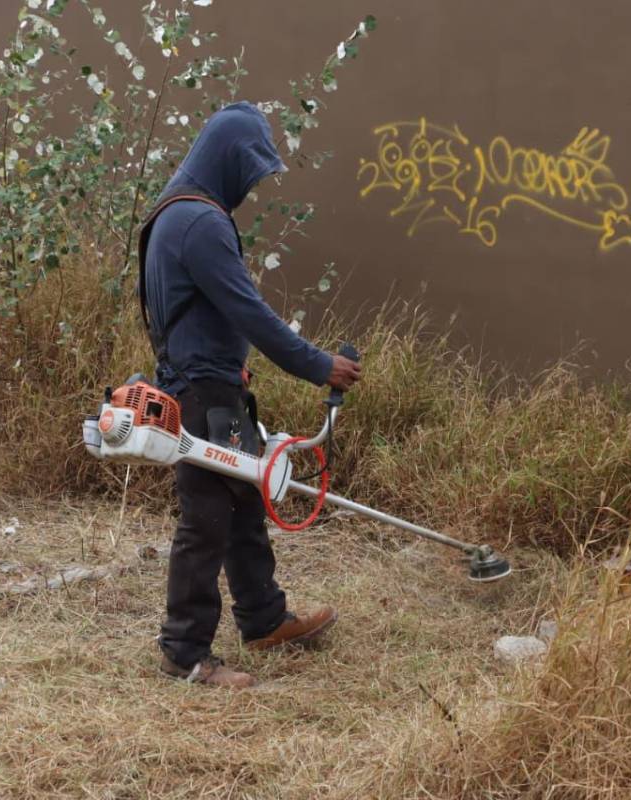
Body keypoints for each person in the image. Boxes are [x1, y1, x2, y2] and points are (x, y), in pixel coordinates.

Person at [137, 101, 362, 688]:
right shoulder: (201, 223)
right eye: (250, 171)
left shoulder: (172, 212)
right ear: (229, 160)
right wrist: (319, 366)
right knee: (206, 518)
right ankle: (185, 652)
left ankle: (263, 619)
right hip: (203, 388)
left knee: (241, 505)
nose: (250, 186)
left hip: (202, 385)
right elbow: (251, 314)